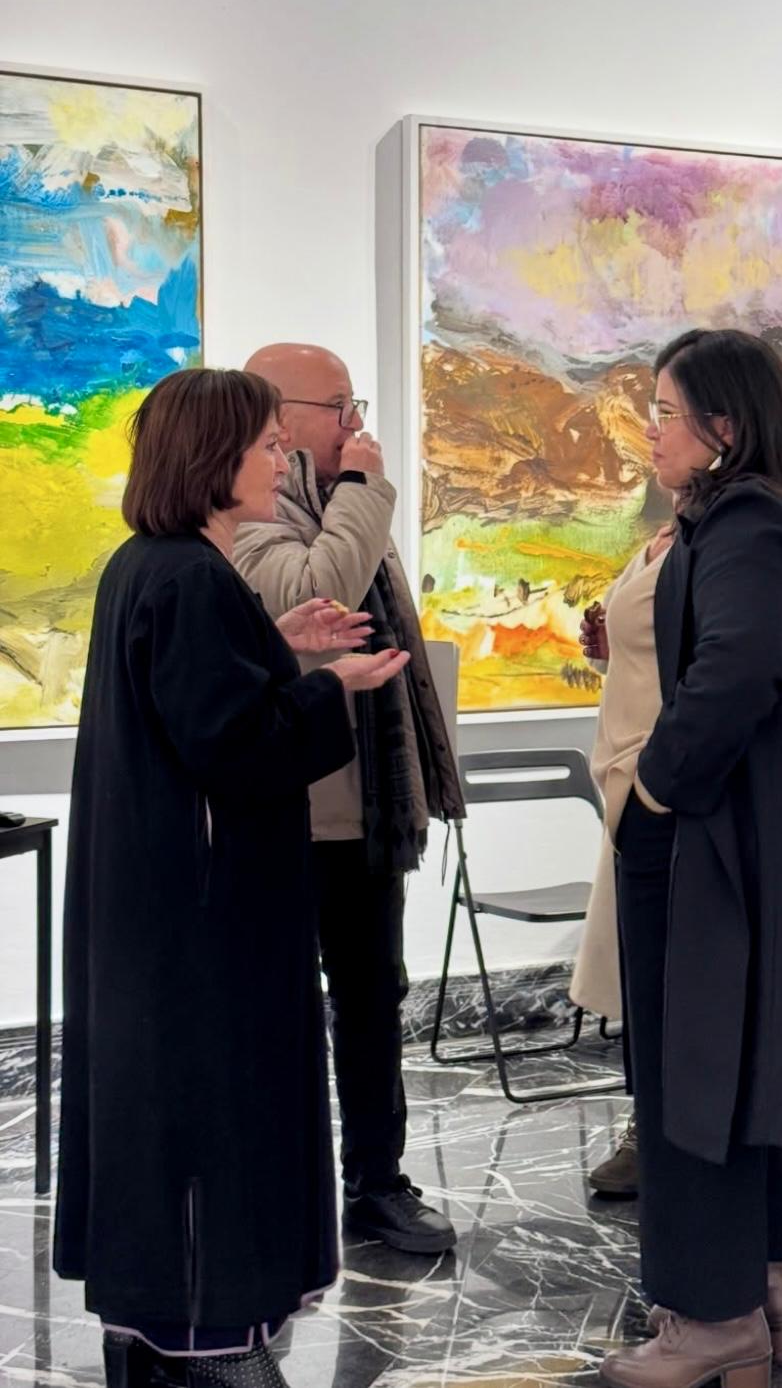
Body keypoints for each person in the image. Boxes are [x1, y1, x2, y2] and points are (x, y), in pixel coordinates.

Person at [53, 368, 409, 1388]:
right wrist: (331, 686)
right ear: (214, 459)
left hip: (160, 915)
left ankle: (158, 1346)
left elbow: (197, 699)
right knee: (211, 1133)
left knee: (162, 1133)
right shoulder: (191, 578)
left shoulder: (148, 565)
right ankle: (215, 1351)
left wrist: (276, 647)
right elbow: (236, 748)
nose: (278, 460)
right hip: (205, 929)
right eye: (264, 445)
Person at [600, 330, 782, 1388]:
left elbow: (734, 674)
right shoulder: (781, 515)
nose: (651, 431)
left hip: (712, 845)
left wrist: (653, 790)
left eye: (666, 412)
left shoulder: (747, 523)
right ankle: (760, 1291)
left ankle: (710, 1320)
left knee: (695, 1078)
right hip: (758, 845)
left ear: (724, 424)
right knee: (735, 1073)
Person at [234, 343, 465, 1255]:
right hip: (292, 810)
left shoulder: (343, 505)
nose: (357, 425)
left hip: (364, 808)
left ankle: (377, 1184)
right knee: (277, 1007)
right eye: (341, 407)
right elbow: (316, 591)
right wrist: (366, 490)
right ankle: (274, 1191)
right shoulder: (252, 516)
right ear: (283, 418)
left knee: (373, 998)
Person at [570, 522, 675, 1199]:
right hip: (632, 786)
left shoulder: (729, 538)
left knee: (666, 974)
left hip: (665, 786)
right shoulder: (665, 535)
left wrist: (655, 782)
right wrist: (612, 652)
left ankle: (665, 1133)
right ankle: (651, 1125)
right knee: (640, 968)